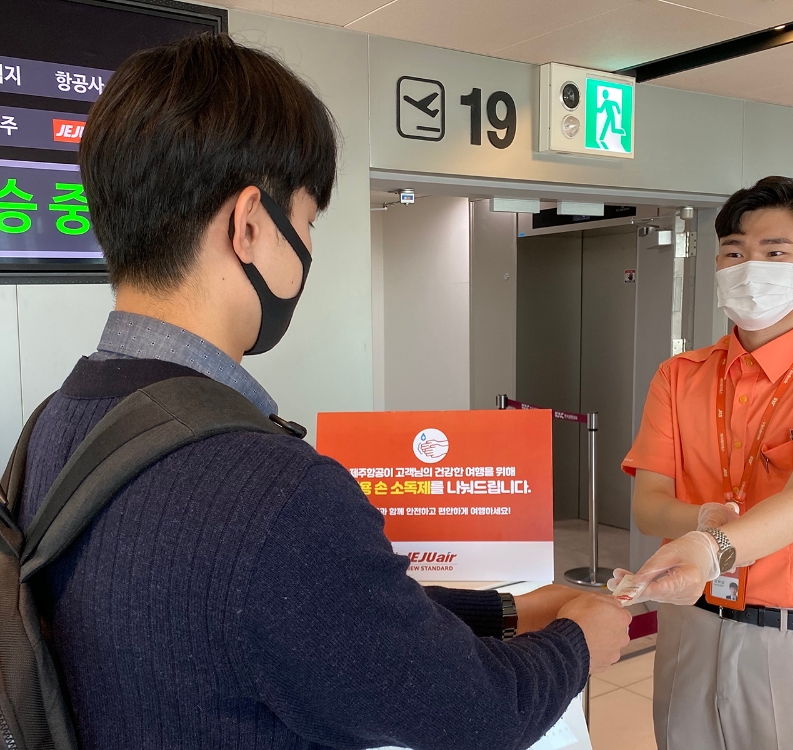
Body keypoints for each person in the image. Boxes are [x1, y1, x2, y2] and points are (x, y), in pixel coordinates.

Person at [16, 34, 632, 750]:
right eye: (306, 222)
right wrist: (576, 645)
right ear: (249, 223)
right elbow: (475, 714)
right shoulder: (274, 493)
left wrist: (500, 613)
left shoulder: (53, 430)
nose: (308, 249)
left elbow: (309, 614)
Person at [618, 176, 793, 750]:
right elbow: (649, 504)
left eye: (775, 253)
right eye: (734, 252)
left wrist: (709, 547)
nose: (750, 267)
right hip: (690, 626)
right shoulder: (680, 376)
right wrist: (700, 523)